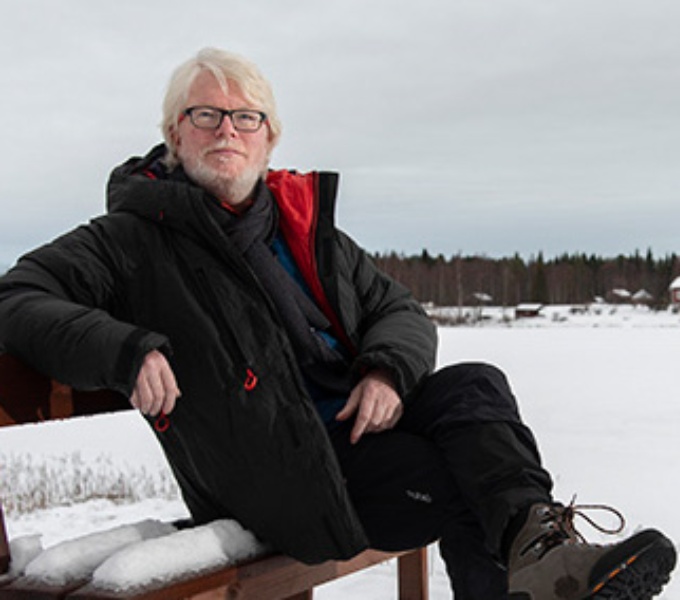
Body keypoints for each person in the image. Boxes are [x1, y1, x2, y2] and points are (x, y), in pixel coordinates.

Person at [0, 47, 675, 599]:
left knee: (475, 386)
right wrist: (125, 349)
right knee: (466, 477)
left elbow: (400, 311)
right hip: (275, 477)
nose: (226, 131)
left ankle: (539, 554)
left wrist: (385, 370)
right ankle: (542, 566)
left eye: (246, 117)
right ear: (174, 132)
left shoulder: (305, 232)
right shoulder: (129, 239)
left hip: (358, 439)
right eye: (205, 115)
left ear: (269, 137)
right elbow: (18, 296)